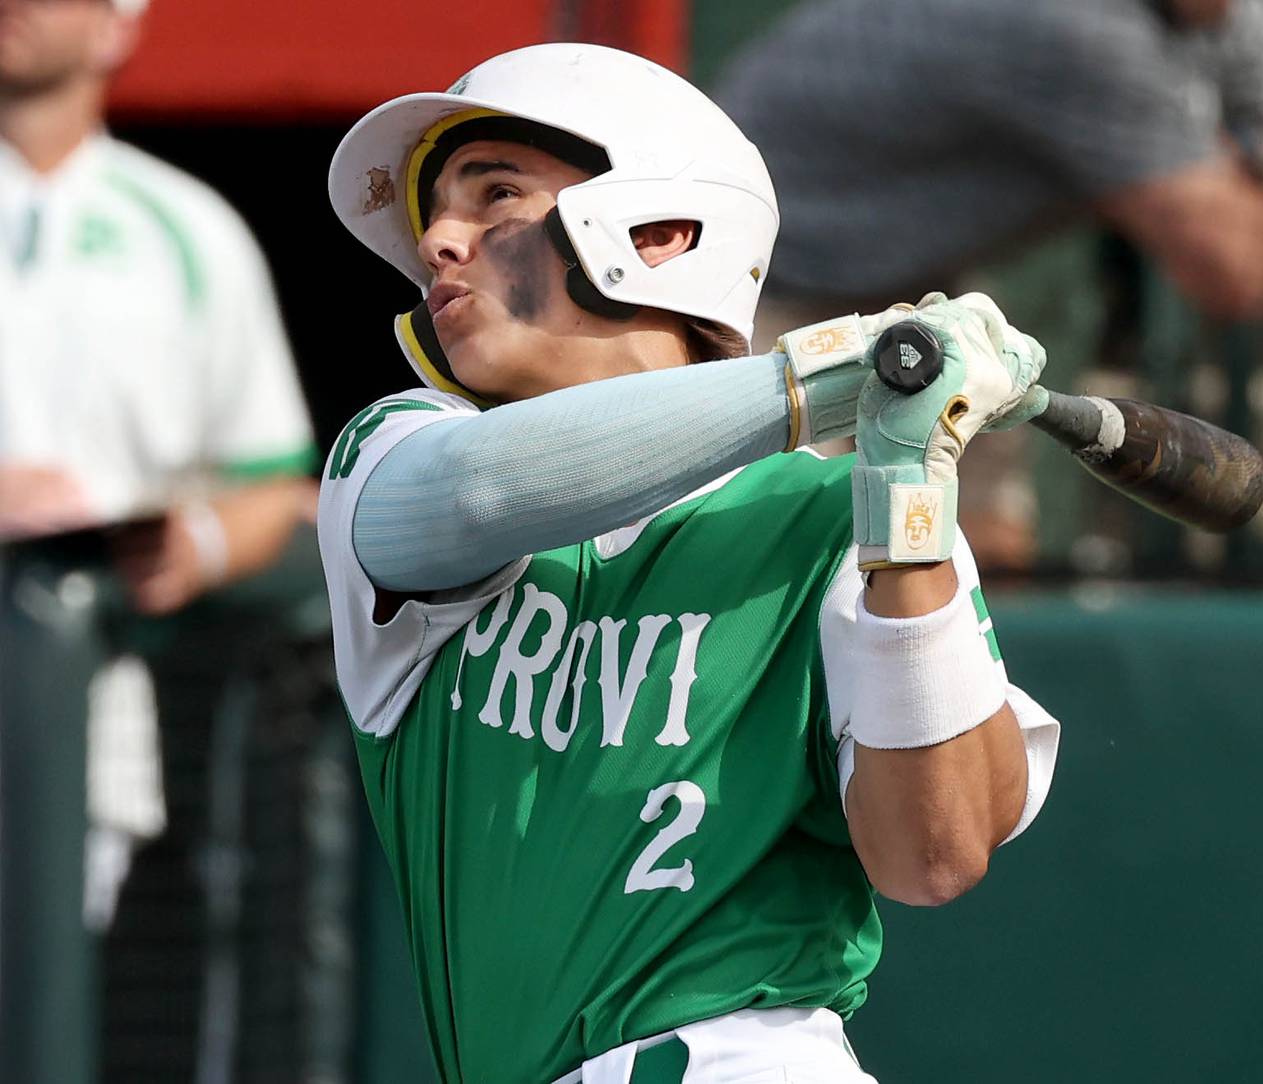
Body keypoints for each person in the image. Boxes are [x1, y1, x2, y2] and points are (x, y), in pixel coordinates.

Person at [321, 42, 1061, 1083]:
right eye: (437, 212)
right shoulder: (395, 453)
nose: (439, 240)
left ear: (663, 233)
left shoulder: (839, 513)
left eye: (495, 196)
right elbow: (482, 491)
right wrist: (832, 375)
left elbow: (935, 855)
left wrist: (907, 497)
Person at [0, 0, 316, 1077]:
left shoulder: (185, 227)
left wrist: (197, 542)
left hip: (95, 712)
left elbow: (274, 480)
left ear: (114, 26)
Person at [716, 0, 1263, 330]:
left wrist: (1255, 160)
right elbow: (1236, 275)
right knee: (805, 575)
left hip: (912, 287)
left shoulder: (1223, 15)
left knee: (971, 562)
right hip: (755, 285)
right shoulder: (1077, 28)